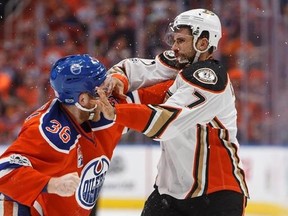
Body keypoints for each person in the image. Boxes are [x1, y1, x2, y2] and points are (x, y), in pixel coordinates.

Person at [96, 8, 249, 216]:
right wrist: (118, 80)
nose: (174, 47)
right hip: (168, 193)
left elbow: (165, 124)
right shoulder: (178, 62)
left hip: (216, 195)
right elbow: (132, 69)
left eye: (181, 41)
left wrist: (116, 112)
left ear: (202, 43)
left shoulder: (211, 79)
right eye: (174, 40)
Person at [0, 53, 173, 215]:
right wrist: (51, 184)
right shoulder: (47, 131)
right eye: (102, 88)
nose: (109, 91)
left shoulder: (106, 108)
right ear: (83, 100)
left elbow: (161, 92)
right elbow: (4, 171)